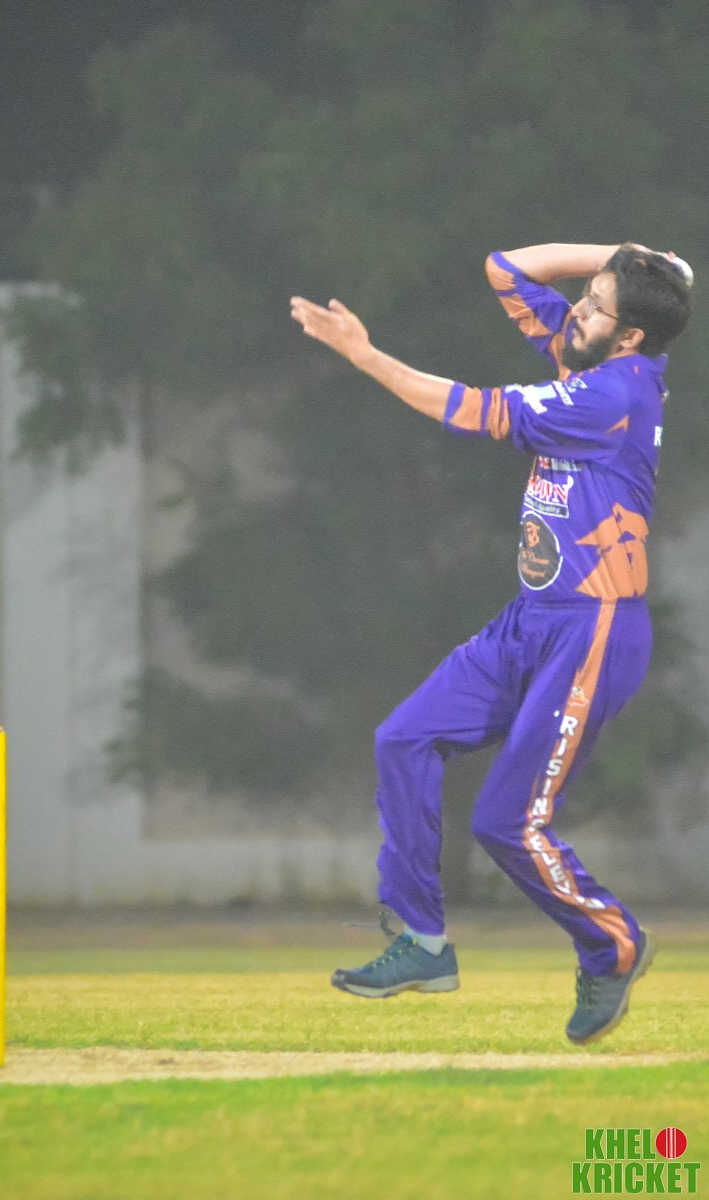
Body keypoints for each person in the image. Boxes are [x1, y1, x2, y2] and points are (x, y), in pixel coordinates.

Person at [290, 241, 692, 1044]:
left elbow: (475, 410)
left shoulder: (610, 393)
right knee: (404, 738)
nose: (576, 310)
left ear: (631, 338)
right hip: (534, 617)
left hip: (593, 628)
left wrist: (365, 356)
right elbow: (505, 268)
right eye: (586, 295)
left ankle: (612, 944)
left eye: (597, 306)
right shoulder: (590, 351)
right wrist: (622, 255)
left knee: (507, 822)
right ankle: (422, 942)